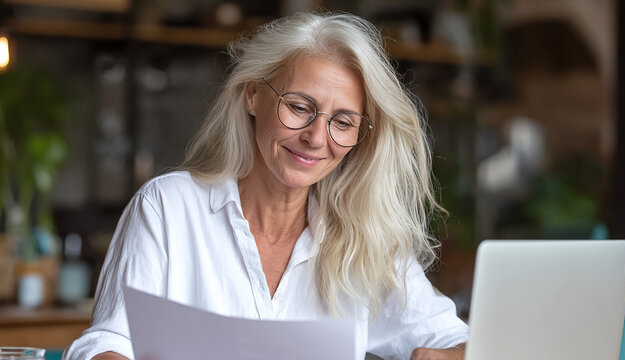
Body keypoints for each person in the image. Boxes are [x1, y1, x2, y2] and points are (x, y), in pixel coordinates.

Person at [64, 12, 468, 360]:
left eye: (342, 122)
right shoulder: (167, 208)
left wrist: (448, 355)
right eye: (299, 107)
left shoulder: (364, 240)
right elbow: (109, 339)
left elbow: (463, 340)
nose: (316, 137)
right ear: (253, 95)